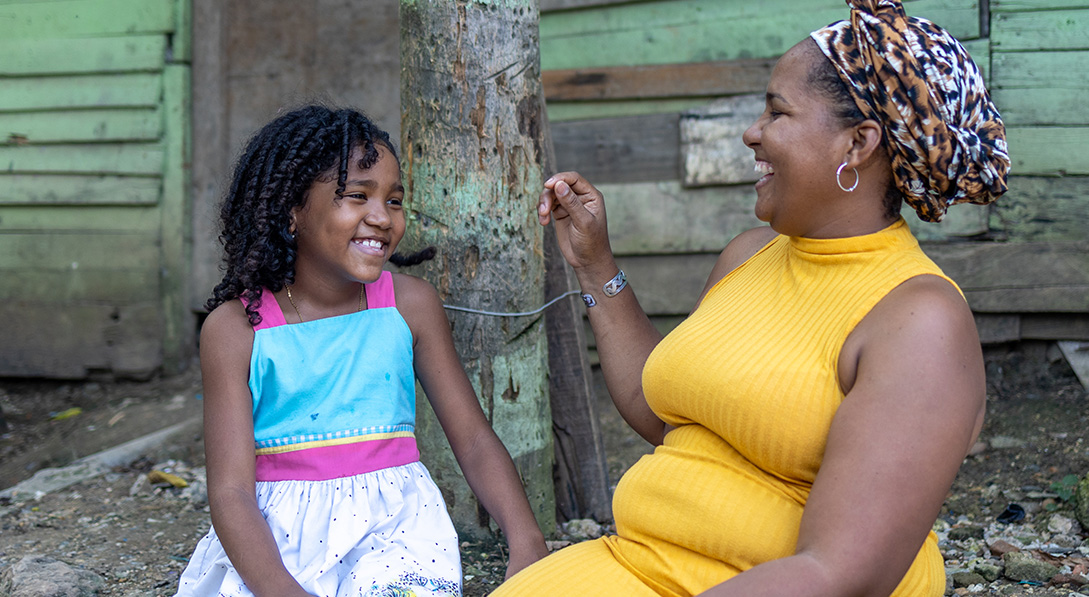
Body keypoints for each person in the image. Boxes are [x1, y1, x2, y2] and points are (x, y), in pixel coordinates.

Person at [494, 0, 1009, 595]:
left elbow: (837, 574)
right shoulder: (751, 254)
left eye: (777, 112)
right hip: (636, 561)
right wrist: (593, 263)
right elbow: (668, 417)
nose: (752, 132)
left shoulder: (918, 321)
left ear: (858, 143)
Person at [174, 106, 548, 597]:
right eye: (357, 196)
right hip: (273, 552)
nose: (381, 217)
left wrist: (527, 542)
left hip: (395, 538)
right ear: (292, 209)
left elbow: (474, 441)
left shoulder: (409, 307)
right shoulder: (238, 329)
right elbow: (231, 492)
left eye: (394, 200)